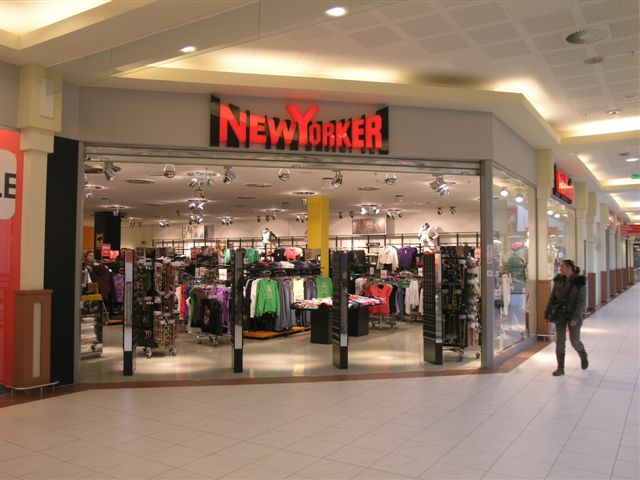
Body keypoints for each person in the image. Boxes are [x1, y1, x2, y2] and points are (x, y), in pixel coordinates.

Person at [544, 259, 588, 376]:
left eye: (562, 267)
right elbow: (552, 298)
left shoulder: (579, 282)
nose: (560, 269)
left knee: (575, 341)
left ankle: (582, 354)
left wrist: (575, 318)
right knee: (560, 341)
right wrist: (547, 312)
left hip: (573, 314)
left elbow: (581, 302)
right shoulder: (558, 280)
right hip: (560, 314)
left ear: (569, 268)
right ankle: (560, 368)